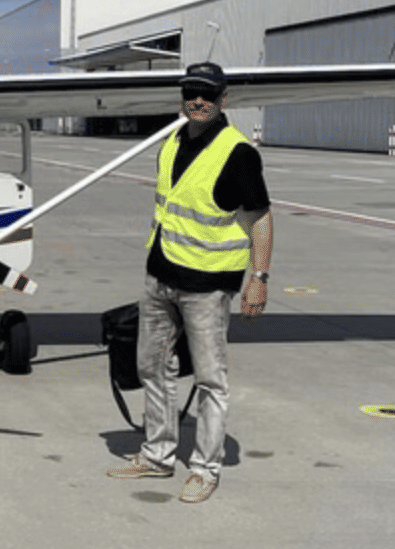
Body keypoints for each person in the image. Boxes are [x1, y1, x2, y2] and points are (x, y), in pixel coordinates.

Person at [106, 61, 273, 504]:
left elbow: (259, 218)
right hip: (160, 276)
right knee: (152, 368)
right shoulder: (172, 141)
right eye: (190, 91)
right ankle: (158, 456)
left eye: (207, 93)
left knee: (210, 380)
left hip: (207, 285)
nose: (197, 100)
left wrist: (258, 277)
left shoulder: (238, 153)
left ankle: (204, 468)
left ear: (224, 99)